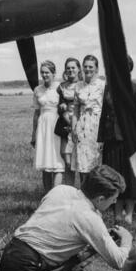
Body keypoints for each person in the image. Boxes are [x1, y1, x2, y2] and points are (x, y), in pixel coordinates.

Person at [0, 165, 133, 271]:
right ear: (100, 199)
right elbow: (119, 261)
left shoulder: (61, 190)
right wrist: (127, 240)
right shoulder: (89, 217)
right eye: (113, 199)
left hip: (11, 252)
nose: (114, 202)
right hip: (27, 266)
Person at [99, 56, 136, 224]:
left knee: (130, 177)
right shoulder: (108, 89)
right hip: (111, 140)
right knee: (113, 175)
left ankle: (129, 214)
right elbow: (104, 115)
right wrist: (101, 139)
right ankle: (117, 212)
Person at [30, 60, 65, 191]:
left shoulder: (60, 87)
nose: (44, 75)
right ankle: (47, 195)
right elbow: (36, 113)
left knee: (57, 162)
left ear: (53, 73)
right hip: (43, 126)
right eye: (42, 72)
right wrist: (34, 134)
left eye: (47, 72)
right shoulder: (37, 89)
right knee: (45, 162)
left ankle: (55, 194)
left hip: (56, 125)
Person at [73, 54, 105, 184]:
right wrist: (74, 129)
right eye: (85, 66)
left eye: (91, 67)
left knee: (96, 161)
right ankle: (84, 190)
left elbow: (106, 108)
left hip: (97, 125)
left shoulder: (102, 85)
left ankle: (97, 192)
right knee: (82, 162)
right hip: (82, 126)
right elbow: (76, 109)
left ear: (96, 68)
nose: (88, 69)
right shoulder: (78, 86)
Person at [58, 57, 83, 185]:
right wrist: (62, 108)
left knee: (83, 162)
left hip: (81, 125)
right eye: (68, 68)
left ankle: (85, 191)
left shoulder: (83, 84)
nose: (70, 70)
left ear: (79, 69)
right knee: (68, 162)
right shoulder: (62, 87)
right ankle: (69, 190)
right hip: (65, 125)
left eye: (73, 67)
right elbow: (59, 105)